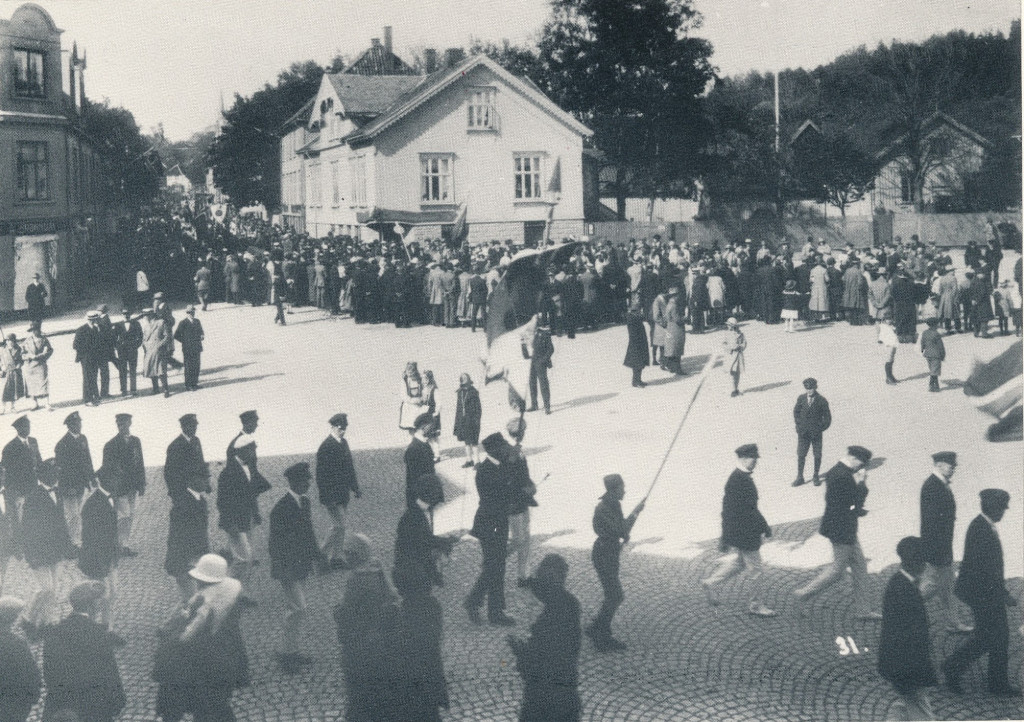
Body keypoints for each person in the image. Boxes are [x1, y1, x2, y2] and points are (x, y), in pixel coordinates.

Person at [153, 553, 250, 722]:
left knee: (196, 701)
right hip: (229, 653)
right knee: (218, 703)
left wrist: (171, 636)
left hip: (205, 660)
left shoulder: (205, 602)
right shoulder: (232, 588)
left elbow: (187, 635)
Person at [943, 488, 1019, 696]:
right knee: (991, 638)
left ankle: (995, 682)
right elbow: (984, 571)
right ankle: (959, 671)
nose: (1004, 512)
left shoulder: (982, 525)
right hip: (983, 595)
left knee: (992, 638)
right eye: (1002, 508)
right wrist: (1003, 595)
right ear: (993, 508)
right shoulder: (981, 529)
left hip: (985, 593)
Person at [794, 445, 881, 620]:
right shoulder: (843, 476)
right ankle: (802, 594)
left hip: (841, 527)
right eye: (861, 464)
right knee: (837, 569)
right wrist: (862, 483)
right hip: (842, 529)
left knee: (860, 567)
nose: (861, 468)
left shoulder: (837, 471)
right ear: (854, 459)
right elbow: (853, 502)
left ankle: (863, 610)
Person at [701, 444, 776, 617]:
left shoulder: (740, 477)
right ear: (742, 458)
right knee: (756, 571)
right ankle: (756, 605)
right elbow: (732, 511)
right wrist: (763, 527)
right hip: (746, 533)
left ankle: (711, 582)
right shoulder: (738, 480)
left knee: (739, 563)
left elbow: (749, 508)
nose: (755, 461)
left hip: (743, 532)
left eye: (756, 458)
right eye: (752, 458)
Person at [334, 534, 403, 721]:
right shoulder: (377, 569)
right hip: (381, 642)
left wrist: (337, 609)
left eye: (350, 553)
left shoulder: (356, 581)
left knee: (359, 696)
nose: (346, 557)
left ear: (357, 555)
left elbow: (345, 615)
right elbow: (393, 599)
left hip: (360, 646)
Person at [507, 554, 582, 722]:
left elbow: (535, 664)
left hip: (542, 699)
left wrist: (520, 651)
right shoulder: (571, 604)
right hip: (565, 694)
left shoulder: (551, 617)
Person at [43, 581, 125, 722]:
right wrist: (117, 702)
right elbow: (109, 673)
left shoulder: (54, 631)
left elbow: (49, 672)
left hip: (61, 709)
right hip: (93, 709)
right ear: (91, 606)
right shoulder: (99, 634)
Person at [269, 462, 324, 674]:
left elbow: (308, 533)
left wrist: (318, 557)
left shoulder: (305, 502)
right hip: (288, 568)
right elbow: (275, 544)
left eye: (308, 480)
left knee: (297, 609)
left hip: (298, 566)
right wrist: (285, 571)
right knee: (298, 608)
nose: (309, 483)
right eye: (305, 480)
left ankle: (291, 650)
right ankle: (285, 653)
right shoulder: (281, 508)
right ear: (295, 482)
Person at [878, 537, 937, 721]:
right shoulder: (905, 590)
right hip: (908, 668)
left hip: (899, 665)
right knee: (920, 708)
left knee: (905, 705)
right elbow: (909, 636)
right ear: (918, 564)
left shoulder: (900, 583)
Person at [587, 473, 645, 652]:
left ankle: (596, 627)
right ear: (614, 489)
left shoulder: (614, 504)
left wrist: (626, 530)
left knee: (612, 594)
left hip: (610, 553)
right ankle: (601, 635)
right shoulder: (603, 508)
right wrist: (636, 512)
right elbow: (621, 529)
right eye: (622, 487)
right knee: (615, 595)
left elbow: (621, 529)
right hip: (604, 555)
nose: (625, 491)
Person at [464, 432, 515, 626]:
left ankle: (488, 608)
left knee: (495, 567)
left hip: (496, 523)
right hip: (489, 525)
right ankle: (484, 607)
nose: (505, 449)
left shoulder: (497, 466)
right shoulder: (485, 471)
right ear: (493, 450)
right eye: (502, 447)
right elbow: (501, 491)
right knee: (494, 567)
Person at [920, 451, 974, 635]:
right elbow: (931, 524)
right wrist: (939, 552)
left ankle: (953, 622)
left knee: (948, 587)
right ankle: (906, 609)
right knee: (931, 586)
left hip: (942, 547)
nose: (953, 470)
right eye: (951, 466)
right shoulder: (932, 487)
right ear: (940, 465)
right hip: (938, 549)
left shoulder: (938, 484)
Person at [217, 431, 269, 604]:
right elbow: (222, 502)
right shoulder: (228, 473)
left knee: (249, 557)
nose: (254, 453)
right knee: (243, 559)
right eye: (251, 450)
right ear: (241, 451)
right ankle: (221, 588)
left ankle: (240, 593)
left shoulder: (249, 468)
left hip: (248, 519)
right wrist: (229, 524)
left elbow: (251, 493)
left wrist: (256, 513)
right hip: (235, 523)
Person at [393, 472, 457, 602]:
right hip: (412, 573)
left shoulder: (415, 511)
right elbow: (424, 542)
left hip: (414, 569)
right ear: (431, 495)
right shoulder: (414, 516)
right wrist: (445, 541)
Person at [78, 466, 121, 641]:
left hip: (109, 555)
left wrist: (115, 553)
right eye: (115, 478)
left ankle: (107, 629)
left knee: (113, 593)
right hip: (97, 559)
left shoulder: (110, 497)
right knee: (99, 595)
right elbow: (90, 537)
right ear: (106, 480)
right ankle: (91, 631)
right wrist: (101, 563)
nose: (118, 481)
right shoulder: (93, 503)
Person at [316, 413, 361, 571]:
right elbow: (321, 476)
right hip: (332, 496)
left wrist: (355, 488)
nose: (343, 431)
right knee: (339, 526)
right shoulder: (326, 447)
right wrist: (328, 498)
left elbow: (349, 467)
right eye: (341, 428)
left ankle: (336, 557)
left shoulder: (343, 443)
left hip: (343, 493)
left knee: (339, 526)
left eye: (345, 428)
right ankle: (320, 554)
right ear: (333, 427)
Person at [164, 460, 210, 603]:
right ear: (192, 479)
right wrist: (181, 566)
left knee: (191, 600)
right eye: (204, 477)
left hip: (196, 558)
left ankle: (169, 626)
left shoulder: (200, 500)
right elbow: (177, 537)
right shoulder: (183, 505)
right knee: (192, 600)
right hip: (185, 561)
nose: (207, 481)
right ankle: (169, 626)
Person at [101, 413, 145, 557]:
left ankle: (124, 544)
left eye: (125, 424)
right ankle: (118, 545)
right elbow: (107, 468)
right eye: (120, 425)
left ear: (130, 424)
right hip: (120, 487)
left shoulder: (136, 441)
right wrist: (111, 487)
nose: (123, 427)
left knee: (130, 515)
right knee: (123, 515)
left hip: (132, 485)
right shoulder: (110, 445)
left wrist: (142, 483)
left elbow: (140, 463)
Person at [54, 410, 96, 549]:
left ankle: (78, 538)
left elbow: (87, 459)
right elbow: (62, 470)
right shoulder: (62, 444)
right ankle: (74, 542)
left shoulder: (83, 438)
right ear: (69, 425)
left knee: (79, 513)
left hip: (81, 484)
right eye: (76, 423)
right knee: (72, 515)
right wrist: (68, 487)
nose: (79, 425)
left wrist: (92, 477)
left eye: (80, 422)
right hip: (70, 486)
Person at [505, 417, 538, 586]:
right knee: (518, 540)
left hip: (522, 502)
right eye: (523, 431)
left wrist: (530, 484)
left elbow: (524, 476)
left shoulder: (518, 450)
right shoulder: (510, 453)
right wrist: (526, 488)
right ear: (520, 433)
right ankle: (497, 559)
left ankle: (523, 575)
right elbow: (510, 480)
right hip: (513, 505)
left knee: (525, 539)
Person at [0, 596, 41, 722]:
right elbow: (31, 675)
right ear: (15, 618)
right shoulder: (17, 644)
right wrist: (33, 698)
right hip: (11, 707)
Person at [791, 378, 832, 487]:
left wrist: (820, 428)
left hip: (816, 434)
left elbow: (827, 418)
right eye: (807, 388)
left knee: (817, 455)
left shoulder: (822, 400)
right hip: (803, 433)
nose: (809, 391)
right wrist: (799, 425)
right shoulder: (801, 399)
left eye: (811, 388)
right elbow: (796, 412)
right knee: (801, 454)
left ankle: (816, 476)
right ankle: (800, 477)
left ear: (815, 387)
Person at [2, 415, 41, 524]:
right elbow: (7, 473)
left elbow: (39, 462)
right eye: (24, 426)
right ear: (18, 429)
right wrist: (15, 492)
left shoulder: (33, 441)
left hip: (34, 487)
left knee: (35, 517)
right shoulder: (10, 448)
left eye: (28, 426)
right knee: (21, 520)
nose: (28, 429)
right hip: (20, 490)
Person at [164, 413, 209, 505]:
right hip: (182, 491)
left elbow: (201, 462)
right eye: (192, 426)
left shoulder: (196, 441)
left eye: (195, 426)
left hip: (196, 488)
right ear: (183, 427)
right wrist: (175, 493)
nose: (195, 428)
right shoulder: (175, 446)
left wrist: (206, 482)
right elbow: (169, 472)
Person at [404, 412, 437, 508]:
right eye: (431, 426)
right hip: (418, 499)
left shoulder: (424, 443)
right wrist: (421, 502)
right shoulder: (414, 449)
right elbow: (413, 478)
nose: (432, 429)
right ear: (423, 426)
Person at [72, 311, 103, 405]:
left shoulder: (96, 329)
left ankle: (95, 396)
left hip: (95, 357)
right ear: (90, 320)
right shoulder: (81, 330)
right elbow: (75, 345)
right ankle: (87, 399)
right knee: (87, 378)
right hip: (85, 358)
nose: (96, 321)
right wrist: (88, 349)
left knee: (94, 376)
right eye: (94, 320)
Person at [19, 322, 52, 410]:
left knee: (43, 383)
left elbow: (49, 351)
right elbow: (22, 354)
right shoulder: (27, 341)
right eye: (32, 330)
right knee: (31, 385)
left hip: (40, 365)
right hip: (29, 366)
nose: (34, 332)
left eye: (35, 330)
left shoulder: (44, 340)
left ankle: (47, 403)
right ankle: (35, 403)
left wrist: (38, 356)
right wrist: (28, 356)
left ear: (39, 330)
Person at [453, 373, 482, 467]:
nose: (463, 380)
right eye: (462, 379)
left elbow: (478, 408)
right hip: (463, 421)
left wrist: (477, 420)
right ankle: (469, 460)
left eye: (465, 378)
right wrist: (457, 422)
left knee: (474, 441)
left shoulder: (474, 392)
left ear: (469, 380)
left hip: (472, 420)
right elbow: (458, 408)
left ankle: (477, 461)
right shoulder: (460, 392)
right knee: (466, 441)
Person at [174, 305, 205, 391]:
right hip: (187, 348)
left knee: (196, 366)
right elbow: (176, 335)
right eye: (190, 312)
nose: (192, 314)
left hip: (197, 347)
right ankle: (188, 385)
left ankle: (195, 383)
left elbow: (201, 331)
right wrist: (185, 341)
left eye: (193, 312)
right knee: (188, 367)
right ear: (187, 313)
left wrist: (202, 335)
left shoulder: (197, 321)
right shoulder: (183, 323)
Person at [112, 308, 142, 398]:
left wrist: (136, 345)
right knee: (122, 371)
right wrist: (117, 346)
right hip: (122, 351)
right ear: (122, 315)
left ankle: (133, 390)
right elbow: (113, 338)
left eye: (128, 314)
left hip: (132, 350)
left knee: (133, 370)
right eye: (124, 314)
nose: (126, 315)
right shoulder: (118, 325)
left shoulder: (136, 324)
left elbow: (140, 336)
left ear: (130, 315)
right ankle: (123, 390)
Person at [142, 309, 172, 397]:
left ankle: (166, 390)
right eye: (145, 315)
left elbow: (167, 336)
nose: (145, 317)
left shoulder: (161, 323)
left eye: (146, 315)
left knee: (161, 370)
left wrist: (159, 345)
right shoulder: (146, 326)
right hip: (149, 350)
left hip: (159, 350)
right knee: (151, 369)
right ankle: (155, 389)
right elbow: (144, 338)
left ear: (151, 315)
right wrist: (144, 346)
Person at [527, 319, 555, 414]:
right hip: (530, 363)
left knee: (543, 384)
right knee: (532, 383)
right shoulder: (526, 335)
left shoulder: (544, 334)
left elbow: (551, 349)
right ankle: (534, 404)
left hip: (540, 362)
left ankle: (547, 406)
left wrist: (543, 360)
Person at [624, 299, 650, 388]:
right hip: (636, 345)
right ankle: (635, 381)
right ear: (636, 311)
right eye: (639, 310)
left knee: (640, 364)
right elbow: (634, 334)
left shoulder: (635, 317)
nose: (640, 311)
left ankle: (638, 380)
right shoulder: (632, 319)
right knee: (637, 364)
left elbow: (645, 317)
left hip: (639, 344)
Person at [399, 361, 427, 432]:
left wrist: (422, 399)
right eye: (409, 372)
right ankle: (413, 441)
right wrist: (414, 400)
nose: (411, 375)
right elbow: (404, 395)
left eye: (412, 372)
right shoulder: (404, 381)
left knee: (421, 428)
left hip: (419, 407)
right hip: (409, 407)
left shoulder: (420, 381)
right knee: (411, 428)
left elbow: (425, 391)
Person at [0, 334, 25, 415]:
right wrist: (1, 368)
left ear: (14, 341)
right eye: (7, 341)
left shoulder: (18, 349)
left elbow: (22, 360)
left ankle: (12, 407)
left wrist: (19, 365)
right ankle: (3, 408)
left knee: (14, 390)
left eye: (11, 341)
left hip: (16, 372)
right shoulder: (3, 350)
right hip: (6, 373)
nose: (9, 342)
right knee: (5, 391)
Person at [722, 317, 746, 397]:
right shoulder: (726, 334)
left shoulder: (740, 334)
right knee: (732, 372)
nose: (728, 326)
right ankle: (733, 389)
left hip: (738, 355)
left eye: (730, 325)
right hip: (731, 355)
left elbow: (744, 343)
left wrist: (740, 346)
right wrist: (730, 348)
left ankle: (736, 388)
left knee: (737, 372)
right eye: (728, 325)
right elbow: (724, 344)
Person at [919, 317, 945, 393]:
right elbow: (941, 346)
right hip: (936, 355)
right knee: (934, 371)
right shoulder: (936, 334)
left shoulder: (925, 333)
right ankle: (931, 385)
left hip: (927, 354)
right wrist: (943, 355)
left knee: (933, 370)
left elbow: (922, 342)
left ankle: (936, 385)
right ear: (935, 325)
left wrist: (922, 349)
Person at [422, 369, 442, 460]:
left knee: (433, 436)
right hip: (425, 415)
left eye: (426, 379)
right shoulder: (424, 390)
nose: (424, 381)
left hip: (432, 415)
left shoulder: (434, 389)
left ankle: (437, 455)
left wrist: (436, 413)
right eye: (423, 379)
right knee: (428, 436)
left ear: (430, 379)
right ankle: (433, 454)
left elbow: (439, 403)